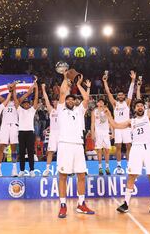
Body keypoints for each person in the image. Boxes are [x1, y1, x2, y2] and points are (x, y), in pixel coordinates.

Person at [107, 78, 150, 214]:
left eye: (141, 106)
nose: (140, 107)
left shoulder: (149, 117)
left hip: (149, 147)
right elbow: (116, 125)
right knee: (132, 175)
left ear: (144, 108)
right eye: (137, 106)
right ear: (134, 109)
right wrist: (109, 115)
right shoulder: (131, 121)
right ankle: (126, 203)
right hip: (136, 148)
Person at [57, 74, 94, 219]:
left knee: (81, 175)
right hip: (65, 145)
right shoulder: (61, 110)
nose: (70, 100)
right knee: (63, 176)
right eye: (68, 99)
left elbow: (86, 99)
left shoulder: (79, 111)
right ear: (65, 102)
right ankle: (63, 205)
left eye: (73, 99)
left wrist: (79, 85)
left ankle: (81, 204)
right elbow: (62, 92)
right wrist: (65, 78)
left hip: (78, 146)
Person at [0, 79, 31, 177]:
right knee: (0, 148)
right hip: (4, 126)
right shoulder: (4, 101)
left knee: (13, 149)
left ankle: (14, 169)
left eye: (12, 90)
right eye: (10, 89)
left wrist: (34, 84)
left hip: (14, 126)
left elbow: (28, 93)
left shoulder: (18, 101)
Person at [102, 71, 135, 174]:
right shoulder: (115, 104)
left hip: (126, 128)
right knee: (118, 147)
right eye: (119, 95)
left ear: (124, 96)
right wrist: (105, 82)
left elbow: (130, 93)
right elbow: (108, 93)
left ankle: (129, 165)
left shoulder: (127, 103)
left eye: (122, 95)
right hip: (117, 128)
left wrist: (133, 80)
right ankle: (119, 166)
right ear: (117, 97)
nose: (120, 96)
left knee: (129, 145)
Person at [16, 79, 38, 177]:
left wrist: (36, 89)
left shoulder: (32, 110)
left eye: (27, 103)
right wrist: (14, 90)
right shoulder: (19, 110)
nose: (26, 104)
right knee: (21, 152)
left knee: (30, 152)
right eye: (24, 103)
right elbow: (16, 101)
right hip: (21, 132)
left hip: (30, 132)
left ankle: (32, 170)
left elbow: (36, 100)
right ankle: (21, 170)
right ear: (22, 104)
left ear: (29, 104)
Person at [41, 83, 59, 177]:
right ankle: (47, 170)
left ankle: (65, 169)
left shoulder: (62, 109)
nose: (54, 103)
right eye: (53, 101)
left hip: (61, 133)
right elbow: (46, 100)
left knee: (63, 151)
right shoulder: (51, 110)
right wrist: (43, 89)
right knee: (50, 152)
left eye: (56, 101)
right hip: (53, 134)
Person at [91, 98, 112, 175]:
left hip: (106, 132)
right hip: (98, 133)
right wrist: (92, 133)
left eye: (102, 102)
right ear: (97, 104)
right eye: (99, 102)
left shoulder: (106, 110)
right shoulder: (94, 111)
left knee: (107, 150)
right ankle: (100, 167)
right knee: (99, 150)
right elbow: (92, 123)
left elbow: (110, 121)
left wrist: (112, 132)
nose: (101, 103)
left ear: (104, 103)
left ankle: (107, 167)